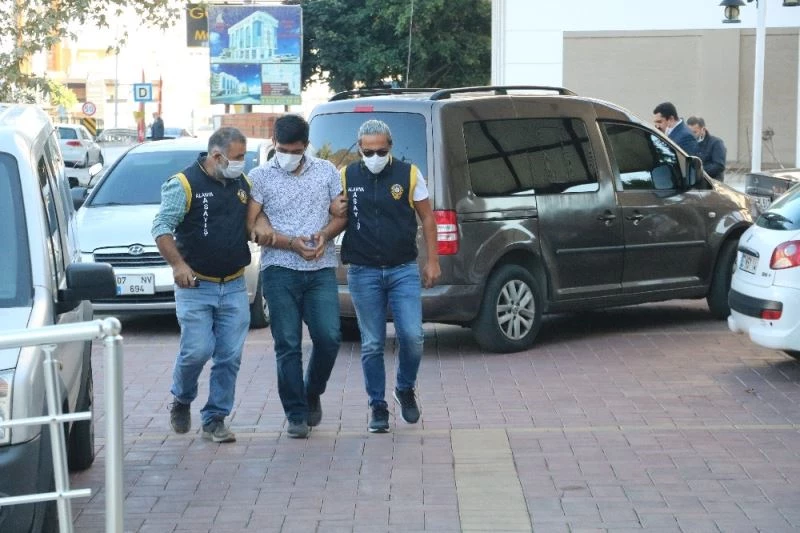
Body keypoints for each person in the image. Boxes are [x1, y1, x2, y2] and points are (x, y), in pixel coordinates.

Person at [338, 119, 441, 433]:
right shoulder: (347, 175)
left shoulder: (409, 174)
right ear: (359, 148)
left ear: (390, 147)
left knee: (413, 336)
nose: (375, 157)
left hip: (402, 269)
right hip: (363, 271)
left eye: (381, 151)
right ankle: (377, 406)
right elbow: (336, 214)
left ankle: (404, 387)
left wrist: (433, 261)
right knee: (372, 343)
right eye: (368, 152)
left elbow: (427, 218)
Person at [152, 126, 254, 443]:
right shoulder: (184, 184)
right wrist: (178, 265)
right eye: (237, 157)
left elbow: (254, 218)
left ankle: (215, 418)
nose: (241, 163)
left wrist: (262, 228)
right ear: (217, 156)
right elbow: (161, 228)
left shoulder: (242, 183)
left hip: (234, 285)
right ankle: (182, 398)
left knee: (229, 356)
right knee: (197, 351)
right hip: (196, 287)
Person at [247, 114, 345, 439]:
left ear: (306, 146)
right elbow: (251, 224)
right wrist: (289, 243)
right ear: (273, 142)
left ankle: (311, 391)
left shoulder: (326, 171)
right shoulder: (259, 177)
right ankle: (296, 413)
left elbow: (341, 214)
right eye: (283, 149)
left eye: (296, 150)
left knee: (329, 338)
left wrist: (324, 236)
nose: (288, 156)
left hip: (320, 269)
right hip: (279, 270)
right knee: (287, 344)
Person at [686, 116, 727, 181]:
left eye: (695, 132)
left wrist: (699, 171)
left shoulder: (716, 143)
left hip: (711, 182)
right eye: (690, 132)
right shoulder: (690, 143)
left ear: (703, 129)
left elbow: (719, 166)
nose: (692, 135)